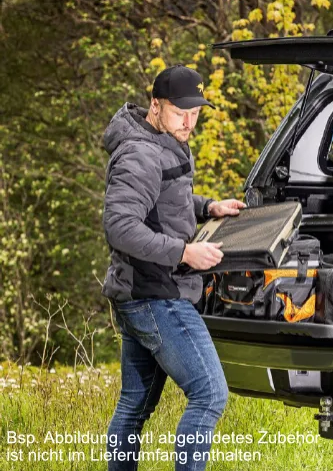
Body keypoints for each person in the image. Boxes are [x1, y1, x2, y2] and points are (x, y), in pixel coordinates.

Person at [101, 64, 245, 471]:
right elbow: (121, 227)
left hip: (138, 294)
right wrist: (185, 253)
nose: (189, 122)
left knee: (135, 404)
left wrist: (208, 207)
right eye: (180, 112)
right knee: (210, 395)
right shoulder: (140, 153)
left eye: (195, 113)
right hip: (156, 295)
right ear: (155, 106)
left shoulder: (160, 140)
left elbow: (165, 203)